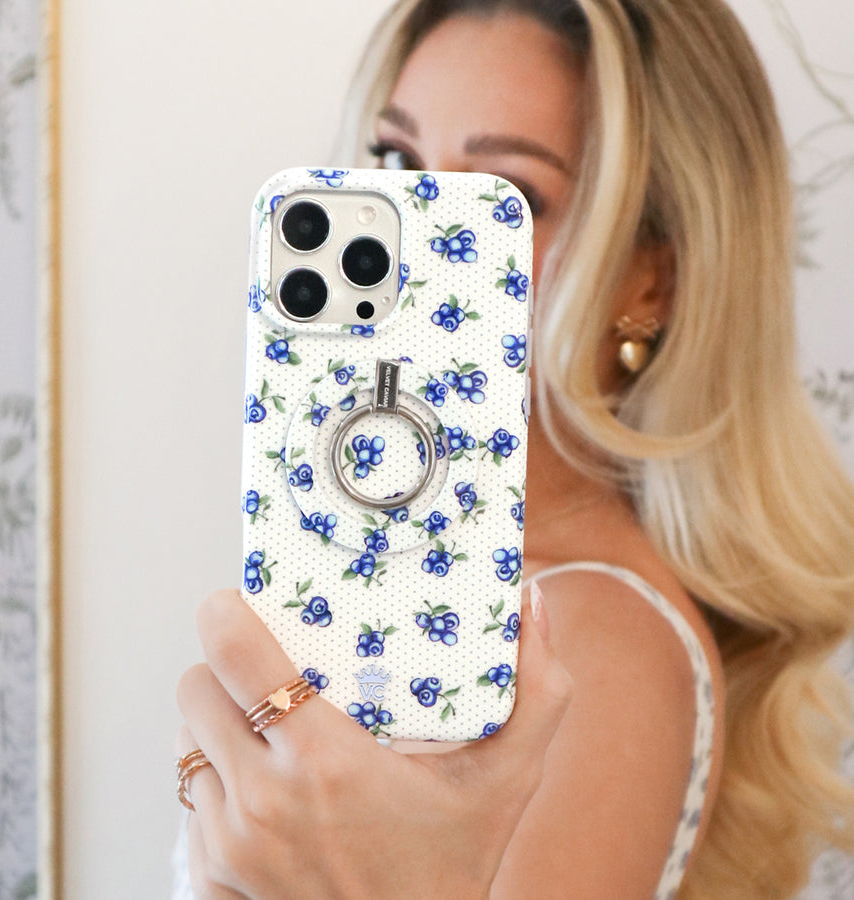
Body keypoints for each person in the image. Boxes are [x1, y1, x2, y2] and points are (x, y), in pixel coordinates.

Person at [174, 1, 854, 897]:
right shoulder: (381, 549)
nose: (418, 238)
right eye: (398, 162)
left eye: (508, 198)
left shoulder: (597, 642)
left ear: (651, 278)